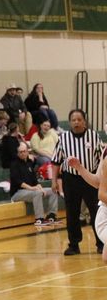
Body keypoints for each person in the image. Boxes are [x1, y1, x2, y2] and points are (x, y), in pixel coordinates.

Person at [51, 109, 104, 255]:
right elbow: (56, 161)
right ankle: (74, 244)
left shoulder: (93, 136)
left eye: (79, 119)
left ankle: (101, 243)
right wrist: (54, 181)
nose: (76, 122)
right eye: (73, 120)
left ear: (84, 121)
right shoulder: (63, 138)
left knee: (96, 211)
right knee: (72, 213)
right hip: (71, 179)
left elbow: (102, 159)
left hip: (90, 178)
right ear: (69, 122)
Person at [10, 142, 58, 226]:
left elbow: (35, 181)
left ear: (27, 152)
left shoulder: (29, 163)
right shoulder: (14, 164)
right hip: (17, 193)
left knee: (53, 190)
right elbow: (17, 181)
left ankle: (51, 215)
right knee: (37, 193)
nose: (23, 153)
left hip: (30, 191)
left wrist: (40, 187)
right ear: (17, 153)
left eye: (24, 151)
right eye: (20, 152)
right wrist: (32, 188)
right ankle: (39, 219)